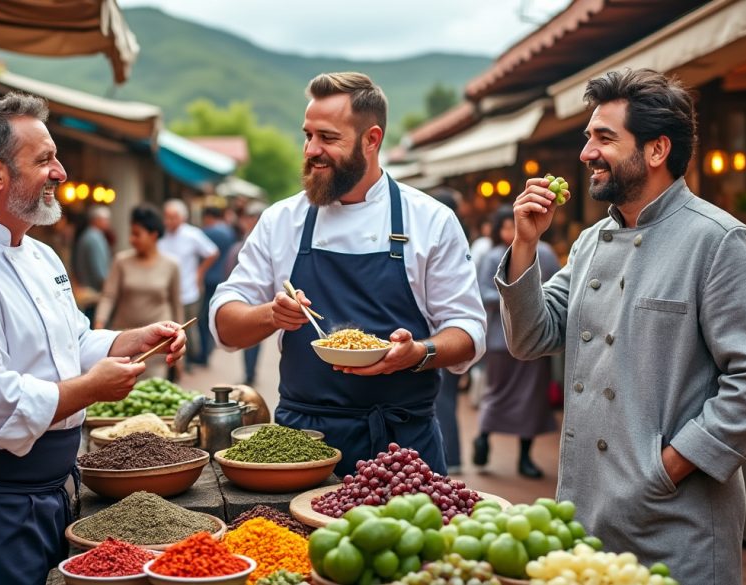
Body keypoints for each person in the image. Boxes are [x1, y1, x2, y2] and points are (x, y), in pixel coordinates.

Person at [496, 69, 746, 584]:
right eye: (589, 137)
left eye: (604, 138)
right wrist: (523, 245)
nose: (587, 152)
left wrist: (666, 469)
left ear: (656, 150)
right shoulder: (588, 242)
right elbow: (531, 338)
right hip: (585, 513)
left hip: (675, 522)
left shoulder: (718, 240)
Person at [0, 93, 187, 585]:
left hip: (44, 496)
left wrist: (126, 341)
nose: (61, 172)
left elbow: (70, 343)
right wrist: (93, 388)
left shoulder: (40, 256)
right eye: (45, 159)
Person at [210, 72, 486, 476]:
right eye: (307, 136)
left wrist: (417, 354)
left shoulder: (430, 220)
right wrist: (271, 315)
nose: (311, 150)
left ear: (371, 140)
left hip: (403, 445)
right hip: (301, 445)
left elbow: (468, 331)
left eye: (328, 138)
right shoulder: (282, 220)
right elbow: (225, 323)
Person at [473, 205, 559, 478]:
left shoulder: (544, 253)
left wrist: (534, 302)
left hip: (536, 338)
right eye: (506, 226)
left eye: (514, 225)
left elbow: (558, 288)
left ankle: (525, 457)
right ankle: (483, 437)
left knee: (532, 400)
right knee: (496, 393)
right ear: (499, 229)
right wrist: (515, 296)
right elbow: (481, 290)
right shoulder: (493, 256)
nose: (511, 231)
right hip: (500, 339)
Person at [94, 204, 183, 380]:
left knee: (154, 396)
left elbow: (176, 305)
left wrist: (180, 349)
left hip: (158, 346)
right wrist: (99, 325)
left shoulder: (171, 265)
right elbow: (108, 296)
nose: (131, 239)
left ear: (153, 235)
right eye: (131, 233)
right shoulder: (121, 261)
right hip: (124, 343)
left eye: (137, 234)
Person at [429, 186, 467, 474]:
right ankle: (452, 458)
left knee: (442, 402)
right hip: (442, 341)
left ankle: (451, 457)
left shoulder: (447, 235)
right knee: (446, 402)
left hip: (439, 343)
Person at [158, 199, 219, 367]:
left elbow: (212, 252)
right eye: (167, 217)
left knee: (187, 329)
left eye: (173, 217)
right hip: (166, 292)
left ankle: (189, 359)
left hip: (188, 291)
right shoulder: (161, 235)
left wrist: (199, 273)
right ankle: (175, 363)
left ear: (182, 218)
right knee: (169, 329)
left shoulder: (192, 234)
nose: (169, 221)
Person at [224, 200, 268, 386]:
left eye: (251, 217)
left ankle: (250, 373)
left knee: (254, 338)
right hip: (241, 297)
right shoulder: (244, 241)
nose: (247, 221)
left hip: (258, 298)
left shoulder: (264, 241)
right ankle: (249, 372)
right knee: (246, 339)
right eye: (247, 217)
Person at [197, 205, 237, 367]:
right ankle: (211, 346)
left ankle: (204, 352)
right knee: (214, 313)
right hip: (223, 277)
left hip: (208, 279)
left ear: (207, 216)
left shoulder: (207, 232)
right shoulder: (229, 232)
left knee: (203, 317)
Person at [73, 205, 112, 318]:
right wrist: (108, 288)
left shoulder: (88, 235)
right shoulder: (94, 238)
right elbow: (99, 269)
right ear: (96, 220)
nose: (108, 222)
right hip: (93, 293)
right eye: (106, 219)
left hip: (88, 290)